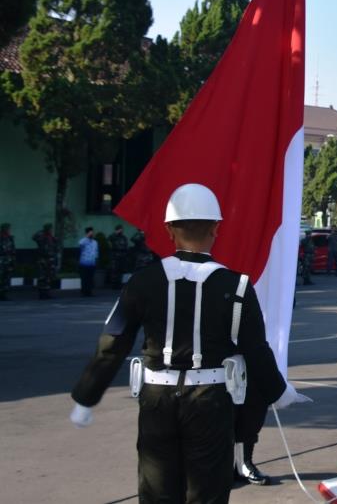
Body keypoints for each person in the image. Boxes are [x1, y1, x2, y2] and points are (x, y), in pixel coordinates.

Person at [68, 183, 308, 502]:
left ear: (169, 230)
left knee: (157, 491)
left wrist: (87, 396)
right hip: (210, 401)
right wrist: (278, 392)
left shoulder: (142, 282)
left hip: (156, 401)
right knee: (207, 491)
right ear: (216, 228)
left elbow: (113, 342)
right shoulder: (237, 286)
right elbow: (256, 350)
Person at [33, 223, 59, 300]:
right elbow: (34, 237)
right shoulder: (41, 237)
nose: (51, 230)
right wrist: (42, 231)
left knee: (48, 277)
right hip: (42, 260)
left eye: (51, 229)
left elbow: (56, 247)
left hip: (50, 260)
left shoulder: (52, 238)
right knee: (42, 277)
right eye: (50, 229)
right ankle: (41, 294)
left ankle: (47, 293)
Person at [77, 226, 98, 297]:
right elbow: (79, 251)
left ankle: (89, 291)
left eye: (92, 232)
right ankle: (84, 291)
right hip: (84, 262)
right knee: (84, 278)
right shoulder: (82, 241)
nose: (92, 233)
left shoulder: (95, 242)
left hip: (92, 262)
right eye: (90, 232)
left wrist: (96, 260)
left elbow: (96, 252)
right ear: (87, 233)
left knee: (90, 278)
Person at [108, 225, 131, 289]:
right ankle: (114, 285)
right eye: (120, 229)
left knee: (120, 271)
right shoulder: (112, 236)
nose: (121, 231)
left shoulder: (124, 237)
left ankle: (118, 284)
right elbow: (109, 244)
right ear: (117, 230)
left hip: (122, 256)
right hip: (115, 257)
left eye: (122, 229)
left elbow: (126, 246)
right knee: (114, 271)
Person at [0, 223, 15, 301]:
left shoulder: (10, 238)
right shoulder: (1, 237)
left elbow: (12, 249)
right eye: (7, 229)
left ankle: (3, 294)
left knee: (6, 278)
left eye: (9, 229)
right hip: (1, 260)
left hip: (8, 260)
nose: (9, 230)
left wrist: (12, 260)